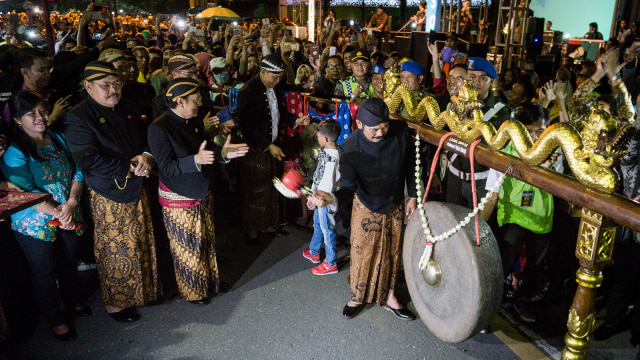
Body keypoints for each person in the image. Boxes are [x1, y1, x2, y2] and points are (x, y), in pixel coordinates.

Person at [65, 61, 160, 323]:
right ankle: (116, 304)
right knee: (115, 250)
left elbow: (145, 139)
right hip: (109, 192)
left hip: (138, 184)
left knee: (140, 242)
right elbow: (89, 160)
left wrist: (147, 156)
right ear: (88, 86)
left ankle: (142, 292)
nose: (112, 90)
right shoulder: (79, 116)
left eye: (116, 84)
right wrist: (131, 166)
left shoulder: (128, 106)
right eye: (105, 85)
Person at [309, 98, 417, 320]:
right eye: (374, 129)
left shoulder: (400, 131)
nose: (381, 133)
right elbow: (348, 188)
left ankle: (389, 296)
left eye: (384, 127)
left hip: (395, 201)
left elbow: (410, 165)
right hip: (366, 203)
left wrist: (413, 195)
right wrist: (331, 197)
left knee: (392, 251)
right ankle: (356, 296)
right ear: (359, 125)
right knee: (362, 252)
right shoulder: (348, 149)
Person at [147, 78, 249, 305]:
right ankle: (194, 292)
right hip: (180, 195)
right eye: (196, 100)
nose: (200, 104)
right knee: (186, 247)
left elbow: (208, 149)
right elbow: (166, 167)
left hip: (201, 189)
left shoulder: (192, 120)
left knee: (204, 240)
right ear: (180, 101)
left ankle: (208, 281)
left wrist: (224, 152)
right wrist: (195, 160)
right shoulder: (158, 128)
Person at [0, 90, 89, 341]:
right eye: (31, 114)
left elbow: (78, 170)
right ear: (17, 119)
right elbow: (26, 190)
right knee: (44, 272)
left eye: (42, 110)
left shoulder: (58, 138)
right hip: (34, 221)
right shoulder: (14, 151)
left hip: (68, 210)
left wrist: (71, 202)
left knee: (69, 261)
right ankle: (55, 318)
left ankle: (73, 301)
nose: (40, 117)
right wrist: (61, 214)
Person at [480, 102, 558, 322]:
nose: (534, 136)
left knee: (534, 265)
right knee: (504, 261)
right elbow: (492, 192)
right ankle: (490, 306)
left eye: (540, 131)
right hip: (513, 215)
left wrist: (549, 169)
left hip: (542, 218)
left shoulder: (555, 151)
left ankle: (523, 302)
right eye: (528, 131)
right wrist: (478, 225)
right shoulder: (506, 150)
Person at [236, 54, 311, 244]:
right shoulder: (248, 91)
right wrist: (268, 145)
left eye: (280, 77)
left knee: (271, 186)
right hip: (255, 149)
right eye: (274, 77)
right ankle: (252, 230)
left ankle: (269, 224)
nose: (278, 81)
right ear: (262, 72)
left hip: (273, 145)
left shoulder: (274, 88)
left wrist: (295, 120)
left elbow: (280, 113)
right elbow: (247, 126)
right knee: (255, 190)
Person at [446, 57, 511, 208]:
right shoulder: (455, 105)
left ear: (492, 81)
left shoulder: (502, 112)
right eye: (472, 77)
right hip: (454, 175)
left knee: (477, 228)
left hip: (481, 181)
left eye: (483, 78)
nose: (476, 82)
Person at [303, 120, 341, 275]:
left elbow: (326, 186)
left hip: (325, 201)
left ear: (325, 139)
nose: (317, 139)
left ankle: (331, 262)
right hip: (318, 197)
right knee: (318, 224)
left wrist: (313, 198)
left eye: (318, 136)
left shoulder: (332, 158)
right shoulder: (327, 151)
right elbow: (319, 177)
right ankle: (314, 251)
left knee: (327, 229)